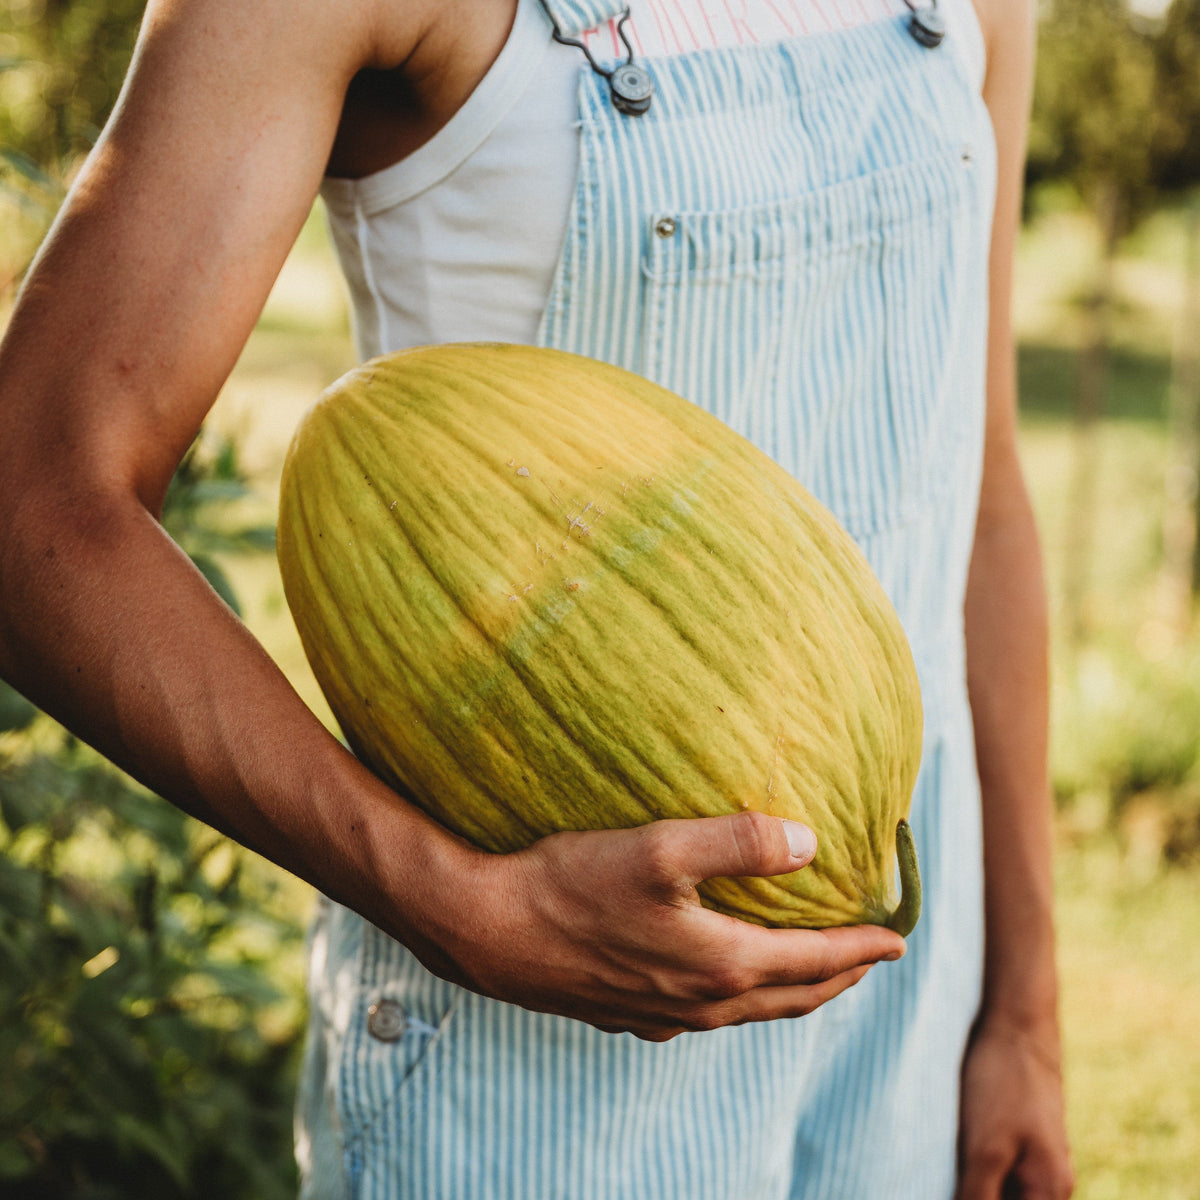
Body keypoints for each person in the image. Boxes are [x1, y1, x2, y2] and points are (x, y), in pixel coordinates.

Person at [0, 0, 1073, 1195]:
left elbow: (974, 485)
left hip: (902, 1011)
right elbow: (33, 500)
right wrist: (448, 903)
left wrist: (1023, 1005)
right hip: (525, 1075)